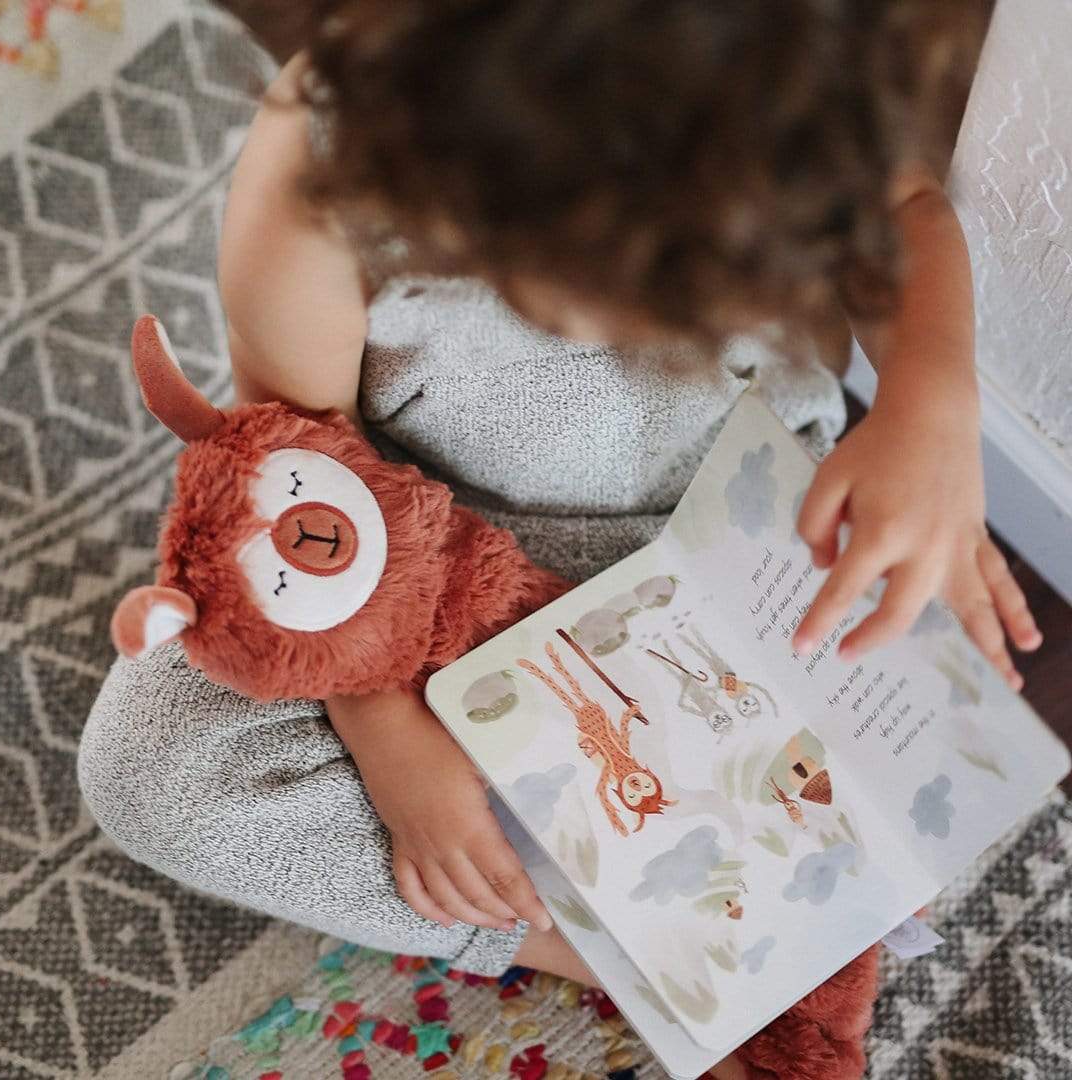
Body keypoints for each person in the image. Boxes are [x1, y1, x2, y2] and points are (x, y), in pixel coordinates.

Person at [79, 4, 1042, 1076]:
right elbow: (301, 455)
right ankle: (608, 948)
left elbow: (903, 207)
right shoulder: (323, 159)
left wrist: (931, 413)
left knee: (918, 714)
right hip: (434, 580)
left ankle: (697, 899)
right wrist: (383, 730)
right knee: (149, 764)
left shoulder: (776, 70)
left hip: (725, 541)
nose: (617, 326)